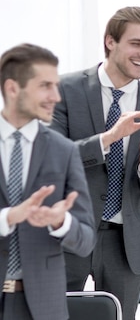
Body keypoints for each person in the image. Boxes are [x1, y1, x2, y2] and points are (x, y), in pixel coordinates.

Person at [50, 6, 140, 320]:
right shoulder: (65, 91)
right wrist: (108, 139)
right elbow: (52, 161)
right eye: (136, 43)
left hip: (125, 244)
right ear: (110, 41)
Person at [0, 43, 96, 320]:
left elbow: (86, 240)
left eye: (56, 85)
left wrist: (60, 222)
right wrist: (9, 217)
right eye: (45, 86)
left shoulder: (64, 150)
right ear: (13, 88)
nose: (56, 95)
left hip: (43, 307)